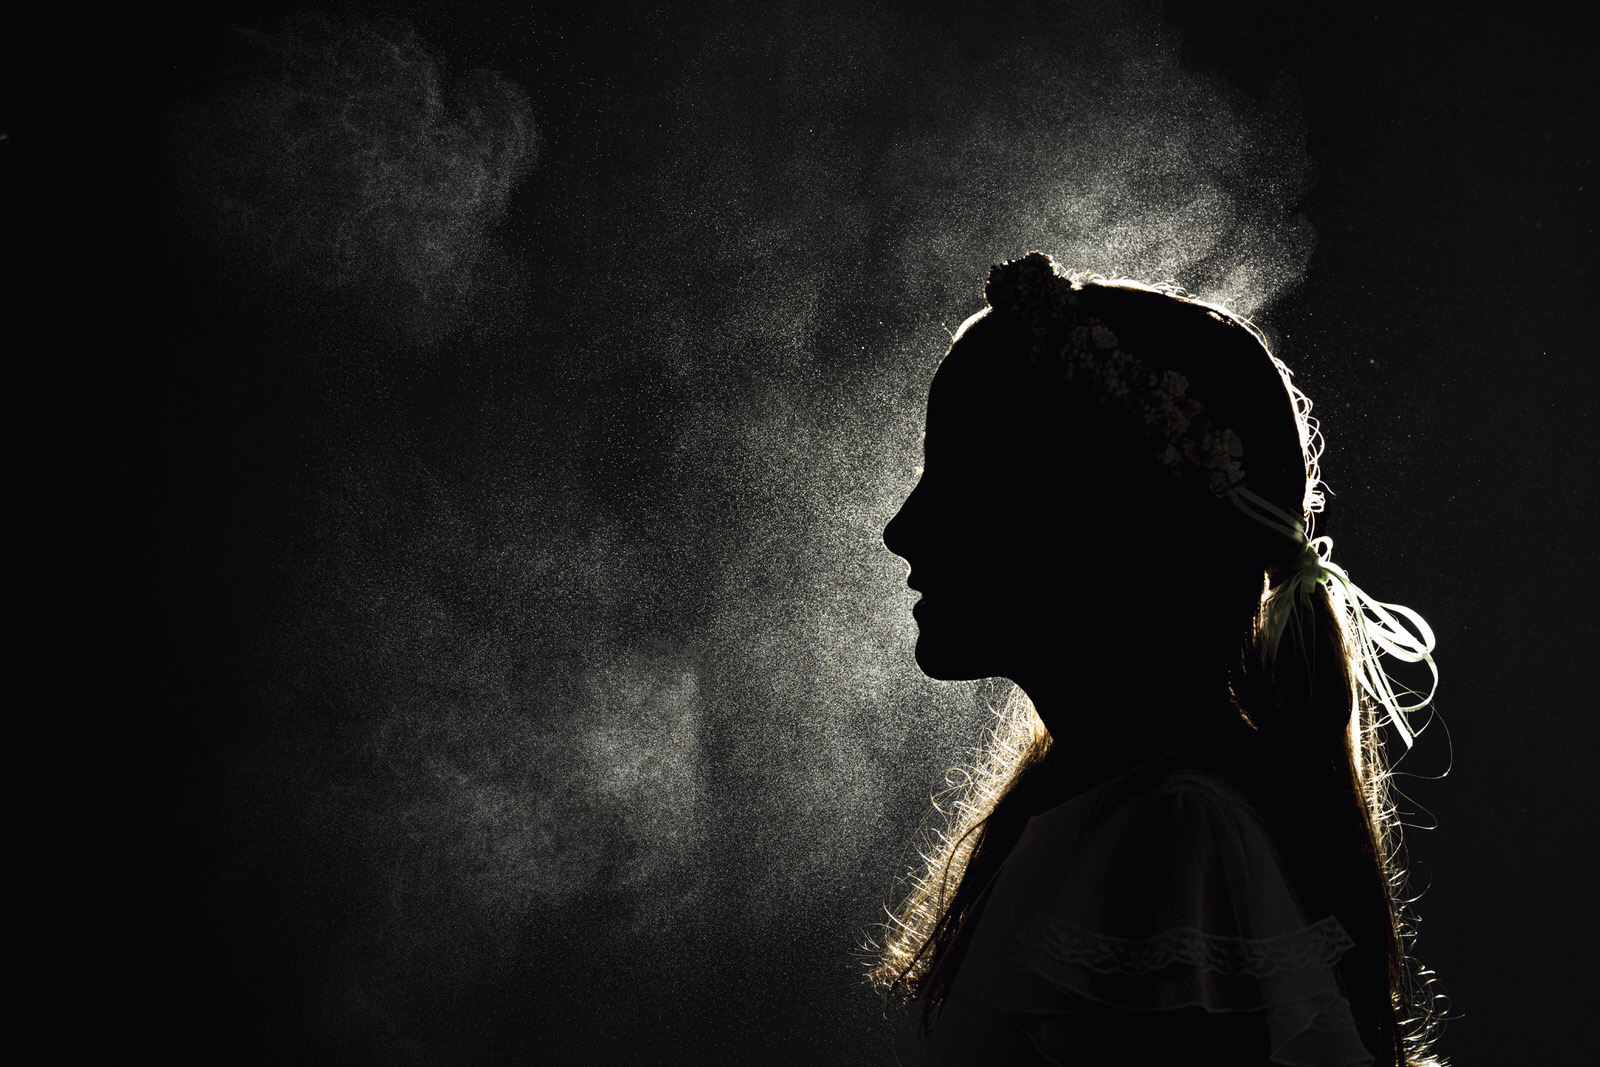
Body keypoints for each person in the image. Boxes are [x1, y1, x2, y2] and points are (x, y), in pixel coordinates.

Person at [871, 253, 1446, 1066]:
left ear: (1104, 519)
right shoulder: (1103, 816)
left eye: (960, 477)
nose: (901, 529)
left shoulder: (1176, 844)